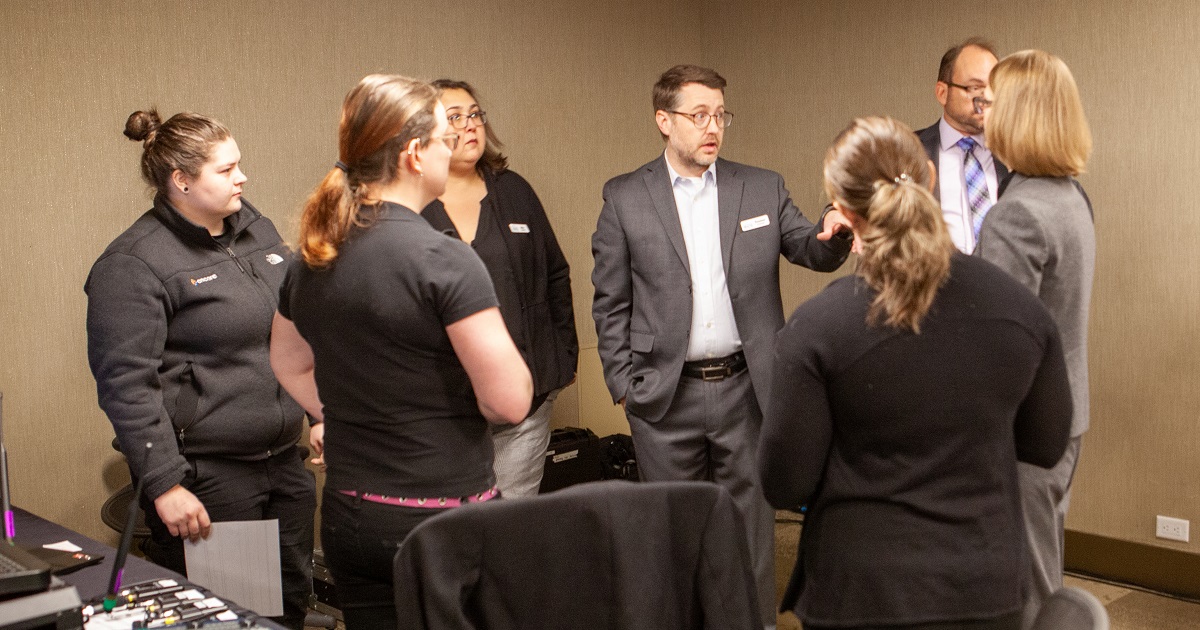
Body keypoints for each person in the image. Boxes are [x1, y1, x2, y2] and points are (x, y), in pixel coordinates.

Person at [758, 116, 1073, 630]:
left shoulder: (817, 328)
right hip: (985, 587)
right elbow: (1045, 443)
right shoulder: (1020, 310)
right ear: (928, 176)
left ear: (843, 210)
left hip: (861, 592)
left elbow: (784, 481)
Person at [590, 64, 854, 628]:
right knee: (673, 541)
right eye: (699, 115)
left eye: (721, 115)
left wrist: (834, 230)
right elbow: (609, 302)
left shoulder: (760, 186)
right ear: (664, 120)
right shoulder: (626, 197)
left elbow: (810, 247)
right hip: (664, 400)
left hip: (747, 393)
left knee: (751, 539)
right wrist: (624, 387)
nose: (714, 127)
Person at [269, 74, 532, 629]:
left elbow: (288, 363)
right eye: (443, 137)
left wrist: (343, 413)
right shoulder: (444, 259)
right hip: (441, 517)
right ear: (415, 154)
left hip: (350, 514)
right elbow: (510, 402)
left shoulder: (311, 255)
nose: (453, 146)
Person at [85, 110, 316, 629]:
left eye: (240, 165)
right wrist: (165, 484)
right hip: (210, 476)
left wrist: (318, 412)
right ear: (181, 181)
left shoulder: (256, 231)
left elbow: (293, 334)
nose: (242, 178)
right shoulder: (133, 265)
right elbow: (126, 386)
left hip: (283, 461)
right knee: (231, 619)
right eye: (226, 169)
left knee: (289, 609)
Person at [976, 49, 1095, 629]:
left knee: (1026, 584)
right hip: (1064, 416)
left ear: (1019, 114)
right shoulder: (1070, 196)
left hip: (1021, 428)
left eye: (990, 102)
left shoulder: (1017, 214)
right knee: (1044, 561)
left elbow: (995, 345)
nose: (981, 112)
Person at [421, 79, 578, 498]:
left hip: (526, 395)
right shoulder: (411, 204)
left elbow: (556, 274)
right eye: (454, 117)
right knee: (455, 524)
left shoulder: (514, 191)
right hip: (445, 407)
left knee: (509, 521)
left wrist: (564, 354)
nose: (470, 125)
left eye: (475, 114)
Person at [916, 37, 1009, 253]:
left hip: (1004, 284)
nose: (986, 98)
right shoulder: (907, 152)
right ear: (942, 92)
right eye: (975, 87)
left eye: (993, 88)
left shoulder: (1014, 154)